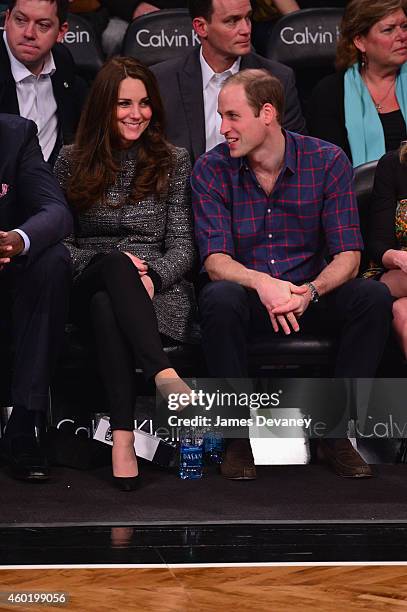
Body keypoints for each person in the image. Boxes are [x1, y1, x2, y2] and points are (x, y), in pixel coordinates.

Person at [191, 68, 394, 480]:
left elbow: (349, 256)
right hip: (249, 294)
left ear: (267, 113)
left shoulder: (327, 160)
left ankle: (334, 432)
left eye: (232, 116)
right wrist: (262, 283)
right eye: (221, 116)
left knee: (371, 297)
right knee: (219, 298)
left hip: (308, 292)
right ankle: (239, 436)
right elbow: (215, 261)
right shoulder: (211, 169)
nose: (222, 128)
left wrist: (310, 293)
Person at [54, 56, 197, 491]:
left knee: (108, 304)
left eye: (144, 103)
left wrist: (152, 274)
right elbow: (60, 244)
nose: (137, 114)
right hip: (87, 277)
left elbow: (184, 246)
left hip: (155, 291)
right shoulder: (69, 159)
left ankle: (122, 439)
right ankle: (162, 373)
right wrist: (106, 264)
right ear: (103, 108)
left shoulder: (173, 160)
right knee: (112, 268)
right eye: (123, 104)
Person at [0, 113, 72, 482]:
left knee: (53, 260)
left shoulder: (15, 134)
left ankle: (25, 422)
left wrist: (15, 241)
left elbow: (56, 212)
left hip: (6, 270)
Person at [151, 0, 306, 164]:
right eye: (232, 21)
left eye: (248, 18)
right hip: (186, 188)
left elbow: (295, 154)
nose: (246, 30)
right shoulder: (162, 80)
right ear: (201, 27)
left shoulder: (278, 78)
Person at [307, 0, 407, 167]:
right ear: (359, 41)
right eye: (388, 30)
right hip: (358, 191)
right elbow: (327, 168)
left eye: (405, 26)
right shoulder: (329, 94)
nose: (403, 36)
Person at [0, 0, 88, 165]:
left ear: (61, 32)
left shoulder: (62, 61)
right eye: (20, 20)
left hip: (51, 179)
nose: (29, 33)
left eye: (43, 25)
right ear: (7, 19)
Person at [364, 143, 407, 356]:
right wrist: (400, 258)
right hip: (396, 272)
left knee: (403, 314)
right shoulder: (393, 164)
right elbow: (378, 244)